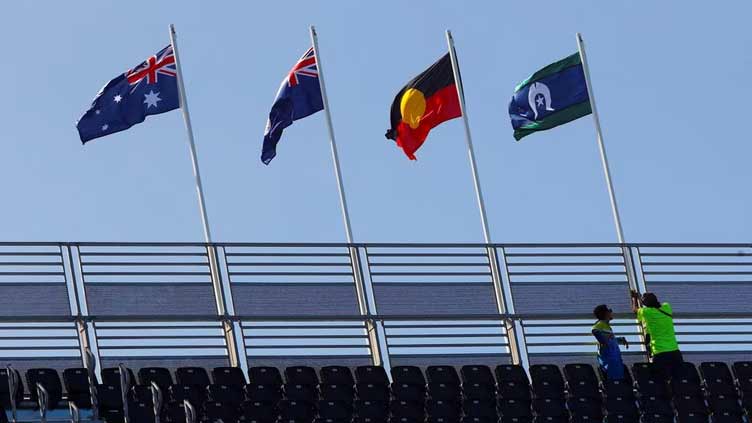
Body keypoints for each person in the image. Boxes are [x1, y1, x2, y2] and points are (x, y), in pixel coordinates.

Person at [631, 290, 683, 383]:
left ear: (645, 304)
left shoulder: (647, 312)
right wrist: (642, 299)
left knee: (661, 381)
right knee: (678, 379)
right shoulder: (667, 307)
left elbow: (636, 310)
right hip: (675, 351)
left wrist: (635, 298)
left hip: (660, 353)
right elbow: (652, 306)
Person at [592, 304, 629, 380]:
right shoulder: (600, 324)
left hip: (615, 359)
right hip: (609, 360)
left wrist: (620, 339)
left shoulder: (606, 326)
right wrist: (603, 339)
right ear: (605, 313)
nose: (611, 312)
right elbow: (594, 330)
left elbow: (610, 340)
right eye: (610, 311)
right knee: (614, 384)